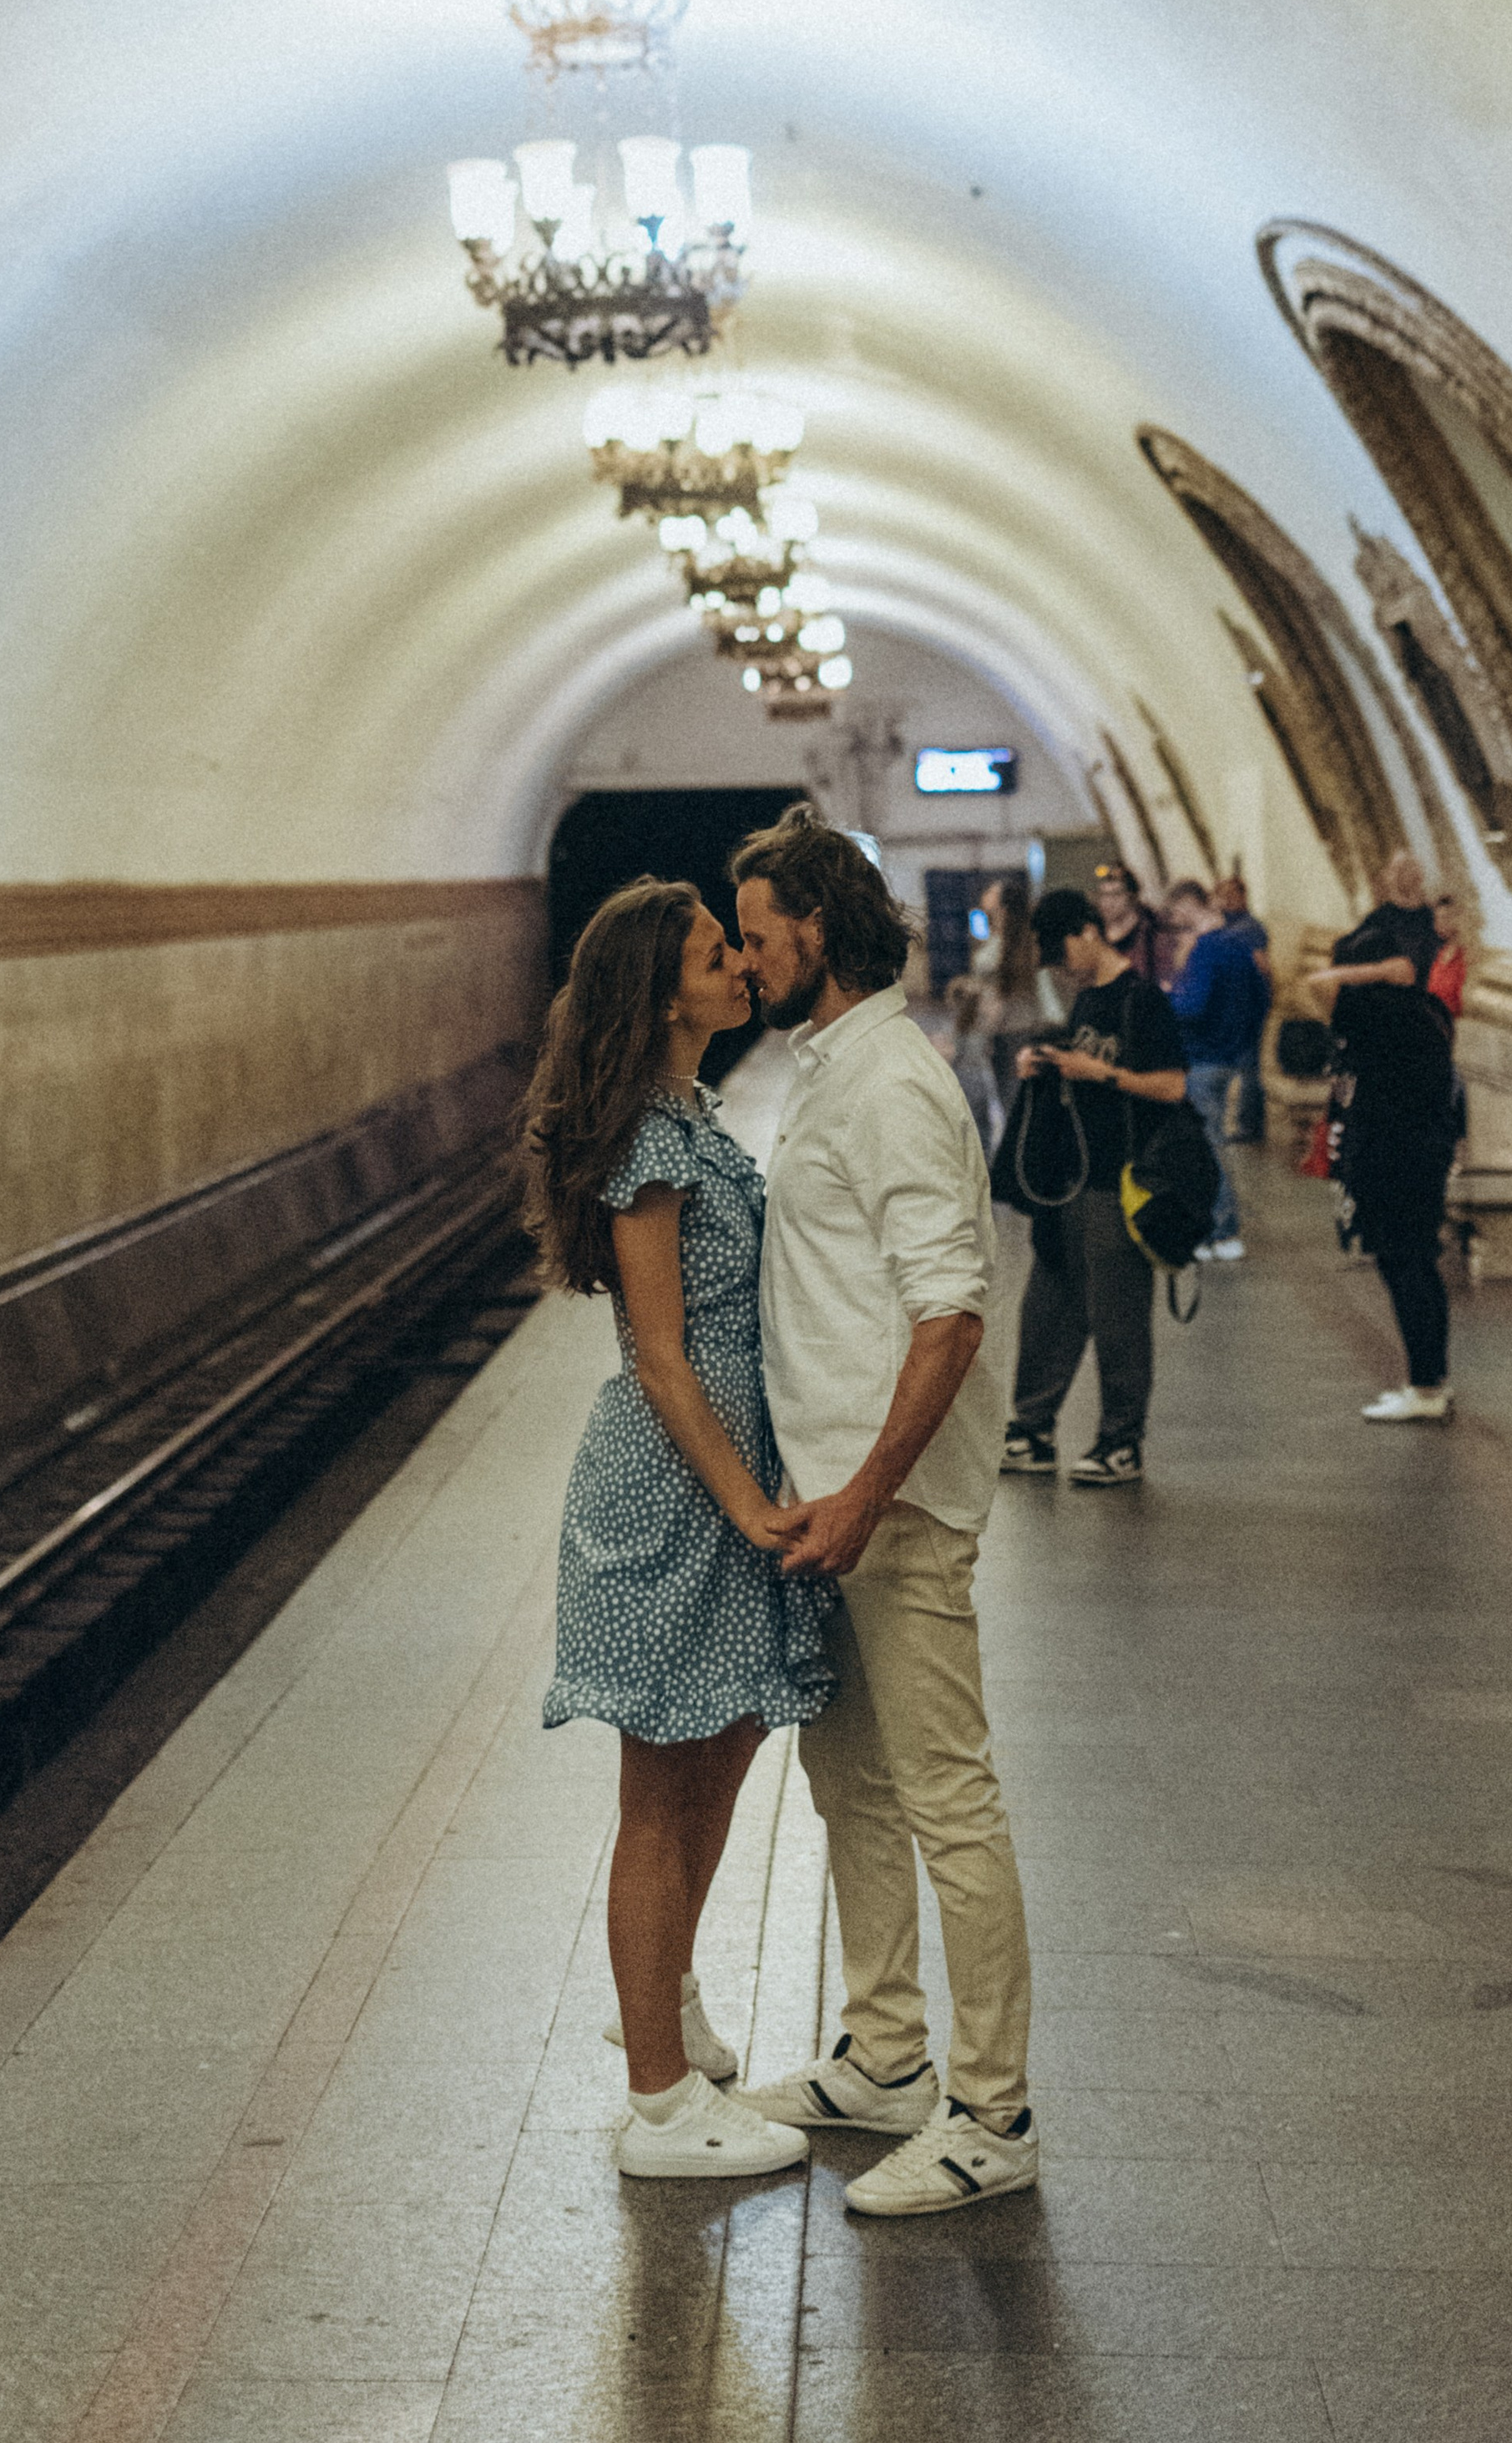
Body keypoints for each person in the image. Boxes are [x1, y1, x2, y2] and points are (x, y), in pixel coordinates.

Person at [727, 806, 1038, 2219]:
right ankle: (885, 2053)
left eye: (756, 934)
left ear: (822, 932)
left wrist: (866, 1490)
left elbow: (950, 1313)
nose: (741, 959)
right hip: (833, 1501)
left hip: (892, 1509)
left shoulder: (892, 1083)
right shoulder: (829, 1067)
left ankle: (993, 2112)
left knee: (946, 1798)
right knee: (847, 1780)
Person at [525, 878, 836, 2180]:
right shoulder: (651, 1141)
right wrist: (748, 1499)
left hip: (714, 1467)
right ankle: (660, 2099)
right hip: (673, 1480)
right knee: (660, 1783)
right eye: (718, 955)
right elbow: (660, 1356)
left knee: (727, 1732)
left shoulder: (689, 1113)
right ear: (663, 992)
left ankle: (667, 2000)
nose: (741, 966)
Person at [1001, 886, 1188, 1486]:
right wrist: (1045, 1062)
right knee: (1048, 1305)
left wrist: (1100, 1072)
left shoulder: (1141, 1002)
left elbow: (1172, 1086)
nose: (1063, 967)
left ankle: (1121, 1439)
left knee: (1118, 1315)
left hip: (1120, 1179)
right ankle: (1033, 1428)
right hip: (1069, 1181)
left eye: (1064, 953)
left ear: (1089, 931)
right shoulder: (1084, 1004)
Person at [1306, 858, 1455, 1423]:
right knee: (1419, 1262)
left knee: (1404, 1262)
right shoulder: (1428, 1017)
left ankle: (1425, 1383)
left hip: (1394, 1157)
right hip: (1424, 1151)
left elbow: (1323, 988)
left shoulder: (1372, 1032)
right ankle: (1430, 1375)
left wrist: (1353, 976)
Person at [1164, 879, 1269, 1262]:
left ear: (1190, 907)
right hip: (1229, 1055)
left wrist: (1164, 997)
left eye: (1177, 915)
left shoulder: (1206, 948)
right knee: (1212, 1141)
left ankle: (1222, 1229)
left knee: (1207, 1146)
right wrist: (1241, 1043)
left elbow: (1193, 1005)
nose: (1176, 926)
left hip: (1201, 1057)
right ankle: (1215, 1228)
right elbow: (1262, 997)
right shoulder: (1241, 944)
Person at [972, 877, 1043, 1119]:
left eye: (991, 890)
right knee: (1010, 1101)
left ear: (1003, 906)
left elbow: (1000, 998)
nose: (986, 893)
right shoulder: (1006, 940)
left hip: (1011, 1033)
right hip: (1007, 1033)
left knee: (1013, 1102)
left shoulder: (1013, 946)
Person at [1213, 876, 1272, 1141]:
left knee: (1249, 1067)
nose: (1224, 900)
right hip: (1234, 1007)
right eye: (1220, 895)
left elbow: (1263, 968)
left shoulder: (1248, 929)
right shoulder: (1229, 927)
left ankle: (1250, 1126)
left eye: (1229, 895)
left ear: (1242, 896)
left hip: (1246, 1007)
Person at [944, 972, 1002, 1150]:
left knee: (971, 1124)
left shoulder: (960, 1026)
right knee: (983, 1126)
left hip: (965, 1077)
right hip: (981, 1077)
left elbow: (956, 1055)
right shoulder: (980, 1025)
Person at [1093, 861, 1161, 984]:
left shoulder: (1155, 928)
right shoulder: (1097, 938)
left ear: (1132, 896)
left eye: (1116, 894)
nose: (1108, 902)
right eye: (1103, 895)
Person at [1428, 892, 1468, 1019]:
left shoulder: (1465, 956)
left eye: (1445, 918)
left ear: (1457, 919)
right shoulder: (1437, 953)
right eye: (1437, 919)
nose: (1439, 924)